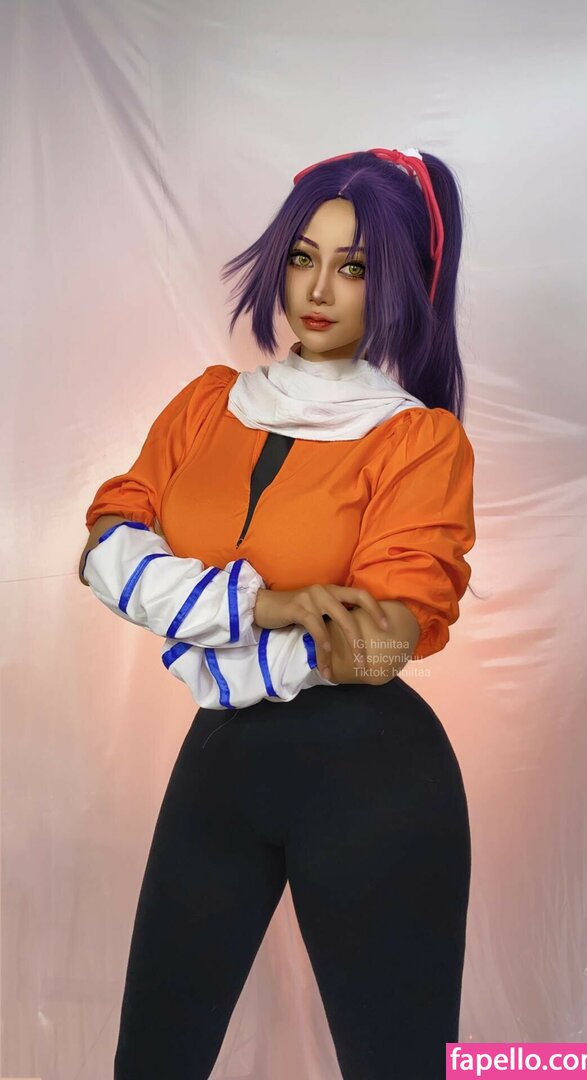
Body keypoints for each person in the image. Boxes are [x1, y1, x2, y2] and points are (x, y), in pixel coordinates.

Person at [79, 147, 476, 1080]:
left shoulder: (419, 441)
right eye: (303, 257)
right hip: (219, 762)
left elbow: (385, 639)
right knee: (151, 1060)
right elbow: (104, 547)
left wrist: (198, 601)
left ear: (400, 284)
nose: (319, 290)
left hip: (375, 778)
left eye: (355, 267)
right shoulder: (205, 405)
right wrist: (270, 603)